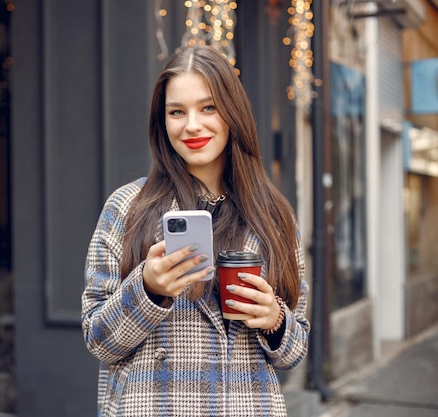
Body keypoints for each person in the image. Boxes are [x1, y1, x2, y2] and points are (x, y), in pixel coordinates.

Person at [81, 45, 310, 417]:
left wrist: (275, 319)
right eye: (176, 112)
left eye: (208, 108)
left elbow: (295, 351)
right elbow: (98, 341)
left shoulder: (273, 216)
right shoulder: (127, 207)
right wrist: (148, 290)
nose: (191, 125)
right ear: (162, 122)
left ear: (232, 113)